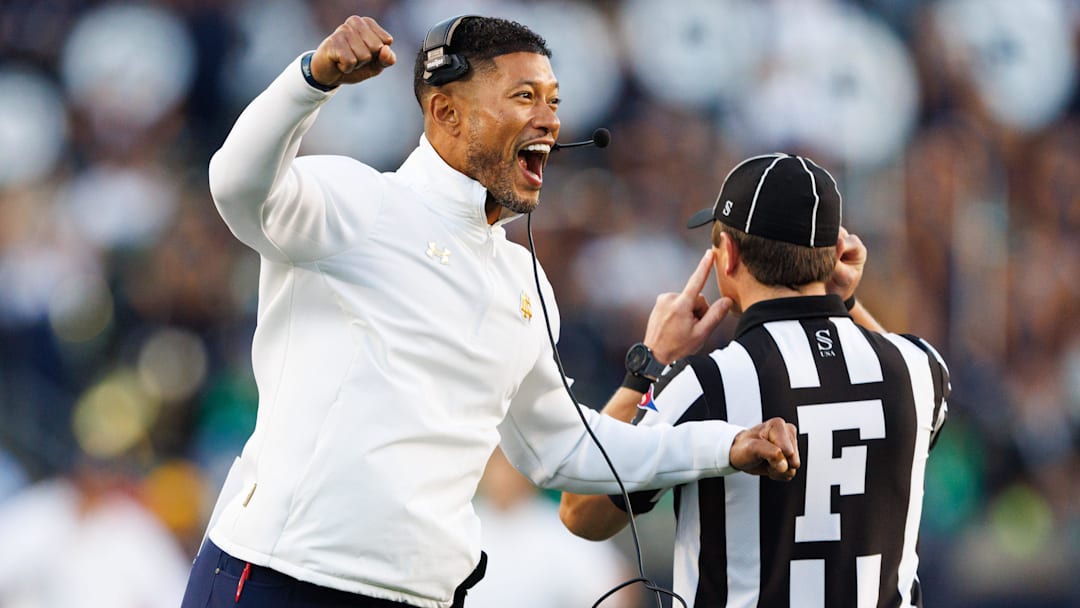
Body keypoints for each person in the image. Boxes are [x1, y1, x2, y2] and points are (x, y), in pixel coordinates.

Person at [181, 15, 802, 608]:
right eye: (524, 96)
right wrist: (310, 80)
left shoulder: (523, 279)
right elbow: (235, 186)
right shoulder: (355, 203)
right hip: (278, 579)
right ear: (445, 111)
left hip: (424, 596)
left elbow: (562, 450)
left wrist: (725, 445)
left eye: (554, 101)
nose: (549, 121)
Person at [560, 153, 950, 607]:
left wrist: (649, 362)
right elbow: (915, 402)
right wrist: (847, 301)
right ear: (834, 257)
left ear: (727, 256)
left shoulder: (704, 384)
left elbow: (581, 512)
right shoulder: (920, 369)